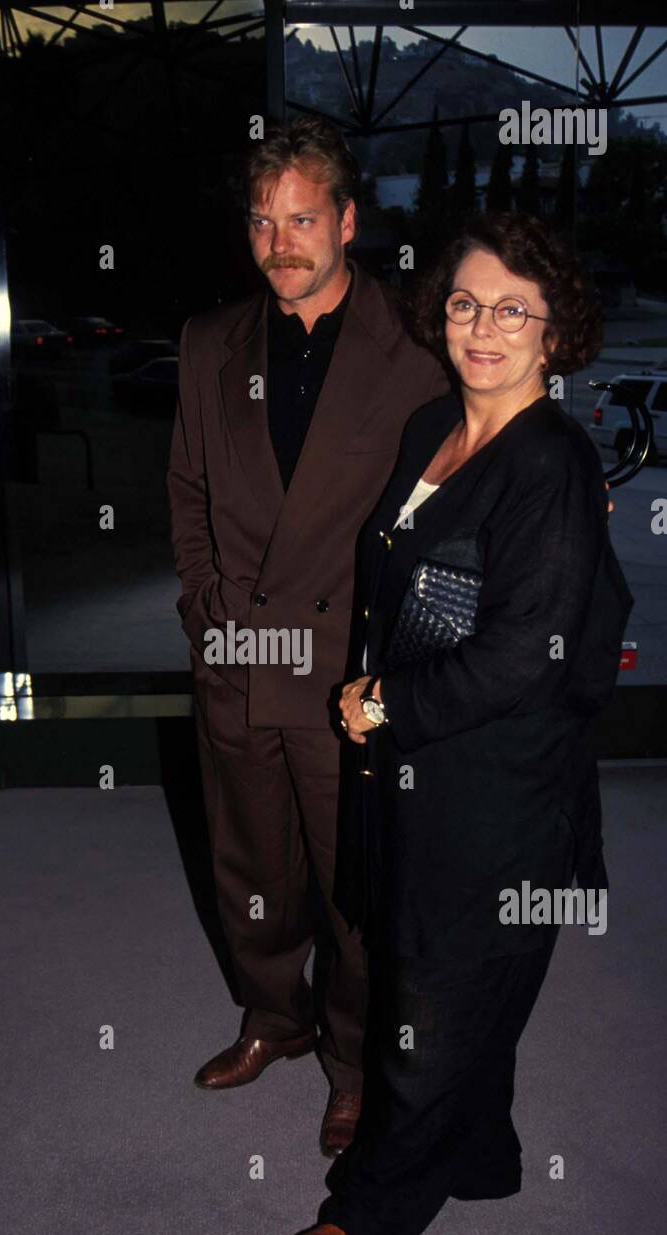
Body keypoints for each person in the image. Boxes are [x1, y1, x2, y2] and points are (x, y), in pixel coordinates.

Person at [294, 212, 634, 1235]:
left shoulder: (554, 468)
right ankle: (481, 1153)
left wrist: (385, 700)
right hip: (422, 769)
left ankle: (377, 1207)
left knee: (431, 995)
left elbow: (525, 655)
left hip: (497, 788)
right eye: (463, 303)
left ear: (553, 331)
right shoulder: (430, 425)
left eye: (512, 310)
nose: (482, 327)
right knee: (448, 965)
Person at [167, 115, 450, 1155]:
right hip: (239, 653)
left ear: (346, 221)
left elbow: (468, 479)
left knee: (354, 891)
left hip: (345, 668)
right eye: (260, 221)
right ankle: (271, 1018)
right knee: (249, 867)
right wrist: (204, 612)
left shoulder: (415, 346)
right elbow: (189, 490)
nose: (279, 243)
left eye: (300, 219)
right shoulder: (208, 342)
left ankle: (352, 1062)